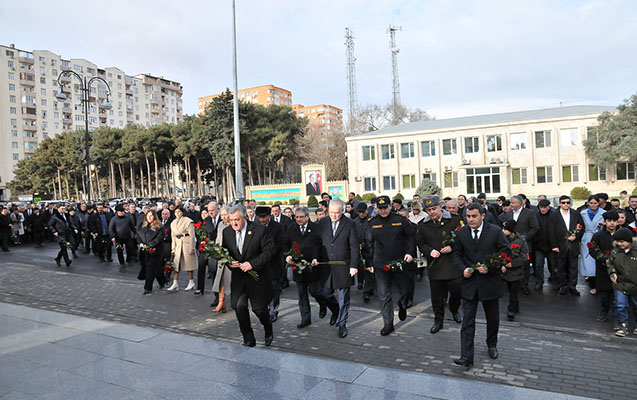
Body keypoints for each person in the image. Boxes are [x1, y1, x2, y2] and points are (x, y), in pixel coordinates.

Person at [452, 203, 510, 368]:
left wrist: (489, 266)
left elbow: (505, 252)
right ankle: (466, 356)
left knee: (492, 318)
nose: (470, 219)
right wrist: (463, 269)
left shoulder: (495, 231)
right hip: (469, 283)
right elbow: (456, 254)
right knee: (467, 321)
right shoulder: (461, 233)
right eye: (468, 216)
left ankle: (492, 344)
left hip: (490, 282)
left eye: (474, 216)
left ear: (482, 216)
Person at [222, 204, 276, 347]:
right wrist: (229, 262)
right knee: (238, 305)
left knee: (259, 309)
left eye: (237, 219)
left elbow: (269, 252)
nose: (234, 223)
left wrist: (252, 264)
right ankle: (248, 337)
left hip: (257, 277)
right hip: (239, 279)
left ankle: (268, 328)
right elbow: (225, 253)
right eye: (231, 220)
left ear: (245, 217)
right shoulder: (227, 232)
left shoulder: (259, 230)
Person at [363, 195, 415, 336]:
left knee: (405, 290)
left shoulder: (400, 220)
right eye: (380, 208)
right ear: (376, 209)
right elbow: (368, 244)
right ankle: (388, 323)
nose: (383, 210)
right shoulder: (372, 223)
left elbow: (411, 236)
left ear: (390, 206)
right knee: (384, 294)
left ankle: (403, 304)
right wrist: (369, 263)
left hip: (399, 262)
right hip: (381, 264)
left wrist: (410, 253)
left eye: (385, 207)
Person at [286, 206, 339, 328]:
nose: (298, 219)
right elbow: (286, 243)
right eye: (296, 217)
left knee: (316, 291)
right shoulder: (291, 228)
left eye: (301, 217)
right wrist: (288, 255)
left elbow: (319, 245)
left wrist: (316, 258)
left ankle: (329, 306)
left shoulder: (316, 228)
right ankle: (305, 318)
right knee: (302, 294)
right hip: (298, 266)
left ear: (307, 216)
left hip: (313, 266)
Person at [417, 195, 463, 334]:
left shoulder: (455, 220)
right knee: (437, 297)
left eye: (434, 209)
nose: (432, 212)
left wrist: (452, 247)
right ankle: (438, 320)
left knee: (456, 292)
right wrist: (429, 251)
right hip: (435, 266)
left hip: (453, 266)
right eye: (429, 210)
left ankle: (454, 309)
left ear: (440, 207)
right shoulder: (422, 225)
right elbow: (420, 243)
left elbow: (463, 239)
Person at [319, 198, 359, 339]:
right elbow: (319, 242)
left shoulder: (350, 224)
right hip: (327, 266)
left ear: (342, 211)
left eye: (337, 213)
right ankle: (335, 311)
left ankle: (342, 324)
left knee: (344, 298)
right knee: (324, 293)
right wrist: (315, 257)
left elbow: (354, 246)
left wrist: (354, 265)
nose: (334, 215)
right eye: (331, 212)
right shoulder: (323, 222)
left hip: (343, 266)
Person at [549, 195, 586, 295]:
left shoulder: (575, 213)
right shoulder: (554, 215)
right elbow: (551, 231)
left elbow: (582, 227)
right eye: (563, 202)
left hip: (573, 245)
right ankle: (563, 285)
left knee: (573, 267)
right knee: (561, 266)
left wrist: (576, 236)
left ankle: (572, 286)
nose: (566, 204)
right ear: (560, 203)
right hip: (560, 245)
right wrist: (554, 245)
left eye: (568, 202)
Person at [501, 195, 539, 294]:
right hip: (510, 243)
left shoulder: (529, 213)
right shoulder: (508, 213)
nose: (511, 204)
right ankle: (513, 284)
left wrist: (525, 238)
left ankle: (524, 285)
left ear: (519, 203)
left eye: (512, 203)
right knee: (511, 262)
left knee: (525, 265)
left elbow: (535, 227)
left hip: (525, 243)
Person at [255, 206, 285, 322]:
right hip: (259, 264)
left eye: (264, 217)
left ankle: (273, 310)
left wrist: (267, 254)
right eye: (260, 217)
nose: (262, 220)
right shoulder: (255, 226)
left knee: (274, 289)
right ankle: (265, 309)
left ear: (269, 216)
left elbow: (279, 245)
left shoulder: (277, 227)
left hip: (273, 263)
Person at [590, 211, 619, 323]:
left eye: (614, 221)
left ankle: (617, 314)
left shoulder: (622, 234)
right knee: (604, 293)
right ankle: (604, 311)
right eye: (609, 221)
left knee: (617, 293)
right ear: (605, 222)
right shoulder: (598, 235)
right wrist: (603, 259)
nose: (612, 224)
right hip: (603, 268)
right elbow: (593, 249)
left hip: (619, 268)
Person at [607, 228, 637, 337]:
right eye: (618, 242)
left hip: (635, 285)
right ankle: (623, 325)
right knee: (620, 305)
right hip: (620, 284)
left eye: (622, 241)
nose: (620, 244)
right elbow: (610, 264)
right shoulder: (615, 251)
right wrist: (612, 273)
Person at [501, 220, 529, 321]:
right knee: (508, 290)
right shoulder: (501, 239)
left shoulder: (521, 241)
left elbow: (525, 257)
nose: (503, 231)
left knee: (513, 291)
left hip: (516, 272)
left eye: (505, 229)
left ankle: (511, 309)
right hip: (504, 271)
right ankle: (514, 305)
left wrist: (512, 263)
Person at [579, 195, 606, 294]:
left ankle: (600, 285)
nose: (593, 205)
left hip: (599, 238)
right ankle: (592, 284)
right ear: (588, 203)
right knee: (588, 263)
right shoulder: (583, 213)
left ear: (599, 203)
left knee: (599, 260)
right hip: (586, 238)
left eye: (595, 203)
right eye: (591, 203)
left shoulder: (604, 213)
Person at [167, 205, 197, 292]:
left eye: (179, 212)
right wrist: (173, 248)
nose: (177, 213)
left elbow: (192, 235)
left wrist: (192, 247)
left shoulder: (188, 221)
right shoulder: (173, 223)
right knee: (176, 265)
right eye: (176, 212)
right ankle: (175, 283)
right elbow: (173, 236)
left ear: (182, 212)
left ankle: (191, 282)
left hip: (186, 243)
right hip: (178, 244)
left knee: (189, 264)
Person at [137, 210, 167, 295]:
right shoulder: (143, 226)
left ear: (154, 216)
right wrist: (140, 243)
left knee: (150, 269)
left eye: (151, 216)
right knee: (156, 269)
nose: (149, 217)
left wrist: (150, 245)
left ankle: (147, 288)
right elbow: (138, 235)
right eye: (148, 216)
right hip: (145, 251)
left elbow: (159, 238)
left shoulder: (159, 226)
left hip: (155, 251)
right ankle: (162, 281)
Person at [535, 199, 558, 290]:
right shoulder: (536, 215)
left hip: (551, 245)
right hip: (539, 245)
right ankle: (539, 282)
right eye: (541, 207)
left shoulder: (553, 216)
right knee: (538, 265)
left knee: (553, 265)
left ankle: (555, 281)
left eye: (545, 208)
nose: (543, 209)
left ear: (549, 207)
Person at [212, 205, 231, 312]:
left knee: (230, 281)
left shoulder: (233, 224)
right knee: (220, 280)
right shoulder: (220, 224)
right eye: (222, 215)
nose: (224, 217)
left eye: (225, 214)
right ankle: (221, 302)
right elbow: (218, 238)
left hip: (231, 256)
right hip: (221, 256)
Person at [354, 202, 375, 301]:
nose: (361, 214)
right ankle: (361, 283)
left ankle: (367, 291)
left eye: (363, 212)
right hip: (358, 249)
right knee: (360, 268)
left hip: (369, 249)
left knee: (368, 270)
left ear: (367, 211)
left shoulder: (371, 221)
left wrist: (363, 244)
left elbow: (371, 236)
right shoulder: (355, 221)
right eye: (359, 212)